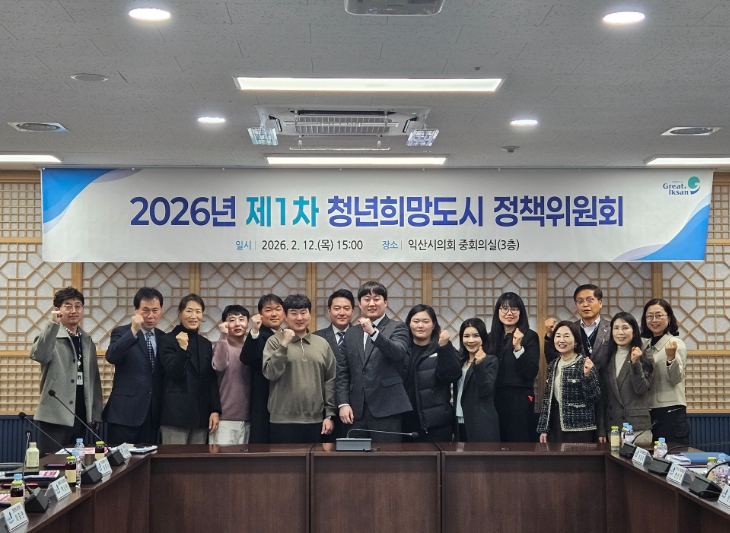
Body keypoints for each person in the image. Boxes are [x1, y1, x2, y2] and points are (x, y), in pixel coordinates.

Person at [30, 287, 102, 455]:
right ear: (58, 310)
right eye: (67, 306)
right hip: (56, 414)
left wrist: (95, 413)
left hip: (82, 413)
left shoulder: (87, 340)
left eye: (78, 306)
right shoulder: (51, 335)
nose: (73, 310)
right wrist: (52, 324)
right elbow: (39, 355)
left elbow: (94, 379)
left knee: (77, 462)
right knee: (51, 462)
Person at [336, 281, 411, 443]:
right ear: (360, 304)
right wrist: (343, 404)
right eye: (366, 299)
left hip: (387, 408)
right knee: (355, 456)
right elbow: (342, 372)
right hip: (356, 411)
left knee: (386, 456)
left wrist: (373, 332)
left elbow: (398, 353)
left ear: (385, 302)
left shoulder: (397, 327)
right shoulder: (351, 333)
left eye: (376, 299)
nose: (371, 303)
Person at [263, 294, 336, 444]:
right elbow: (270, 373)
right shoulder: (274, 341)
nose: (299, 317)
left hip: (316, 420)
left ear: (310, 315)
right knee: (286, 459)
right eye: (294, 313)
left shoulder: (322, 344)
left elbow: (330, 380)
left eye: (303, 312)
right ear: (285, 316)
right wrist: (284, 344)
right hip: (282, 420)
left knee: (314, 459)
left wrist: (329, 415)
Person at [103, 287, 165, 445]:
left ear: (161, 311)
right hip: (124, 414)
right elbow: (112, 356)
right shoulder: (121, 332)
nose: (150, 316)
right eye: (145, 310)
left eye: (155, 310)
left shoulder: (163, 337)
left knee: (148, 458)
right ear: (136, 310)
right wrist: (133, 331)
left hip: (152, 416)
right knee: (120, 458)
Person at [158, 294, 221, 444]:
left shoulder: (205, 344)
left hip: (200, 415)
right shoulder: (167, 340)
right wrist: (182, 349)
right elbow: (174, 373)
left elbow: (211, 379)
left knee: (196, 459)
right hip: (175, 416)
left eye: (198, 311)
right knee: (173, 458)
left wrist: (215, 410)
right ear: (180, 313)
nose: (194, 316)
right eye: (189, 311)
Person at [402, 304, 461, 442]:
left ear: (434, 325)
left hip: (436, 425)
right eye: (416, 321)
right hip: (405, 423)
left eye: (425, 321)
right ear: (409, 324)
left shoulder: (442, 348)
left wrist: (444, 347)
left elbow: (451, 375)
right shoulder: (402, 350)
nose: (420, 325)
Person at [488, 292, 540, 442]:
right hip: (494, 398)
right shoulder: (491, 337)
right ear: (498, 311)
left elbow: (531, 372)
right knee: (497, 441)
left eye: (514, 309)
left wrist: (518, 348)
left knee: (519, 442)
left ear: (521, 312)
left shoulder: (529, 336)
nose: (509, 313)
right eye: (504, 308)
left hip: (520, 398)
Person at [538, 321, 601, 443]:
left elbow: (594, 397)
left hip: (580, 428)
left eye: (566, 336)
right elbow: (547, 401)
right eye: (558, 336)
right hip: (556, 426)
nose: (561, 340)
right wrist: (543, 429)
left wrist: (587, 375)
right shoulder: (553, 365)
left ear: (576, 341)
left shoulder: (584, 364)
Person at [599, 312, 653, 444]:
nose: (620, 332)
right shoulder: (606, 357)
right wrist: (601, 429)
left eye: (625, 328)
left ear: (634, 332)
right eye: (616, 328)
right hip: (613, 427)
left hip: (638, 428)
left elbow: (641, 389)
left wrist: (635, 363)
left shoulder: (644, 354)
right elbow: (602, 397)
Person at [641, 298, 689, 445]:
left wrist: (671, 358)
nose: (654, 320)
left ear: (668, 318)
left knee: (672, 455)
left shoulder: (675, 344)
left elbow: (676, 378)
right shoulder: (644, 345)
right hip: (648, 411)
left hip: (670, 411)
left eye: (659, 315)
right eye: (650, 316)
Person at [240, 294, 285, 444]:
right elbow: (246, 358)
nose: (274, 314)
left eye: (278, 309)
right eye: (268, 310)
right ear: (260, 314)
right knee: (263, 442)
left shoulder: (288, 334)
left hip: (285, 397)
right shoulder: (258, 334)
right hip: (263, 395)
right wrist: (254, 331)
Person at [314, 288, 355, 440]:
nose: (342, 313)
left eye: (346, 308)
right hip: (324, 409)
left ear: (353, 311)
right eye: (337, 308)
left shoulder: (363, 336)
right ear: (329, 311)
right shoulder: (317, 338)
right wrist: (327, 413)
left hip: (355, 407)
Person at [211, 304, 252, 445]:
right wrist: (223, 336)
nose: (237, 324)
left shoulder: (251, 349)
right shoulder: (222, 345)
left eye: (241, 319)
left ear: (248, 323)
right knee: (221, 459)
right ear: (225, 324)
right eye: (232, 320)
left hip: (248, 419)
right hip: (224, 420)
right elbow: (219, 366)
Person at [544, 284, 611, 370]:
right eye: (580, 301)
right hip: (574, 378)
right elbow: (553, 360)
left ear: (600, 303)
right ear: (576, 304)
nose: (585, 304)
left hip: (605, 378)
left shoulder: (611, 329)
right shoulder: (570, 329)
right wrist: (550, 334)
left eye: (590, 300)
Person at [454, 318, 499, 442]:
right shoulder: (460, 361)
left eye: (475, 336)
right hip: (459, 420)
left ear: (483, 337)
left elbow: (485, 390)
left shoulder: (491, 360)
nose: (471, 340)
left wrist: (479, 365)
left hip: (482, 422)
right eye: (466, 336)